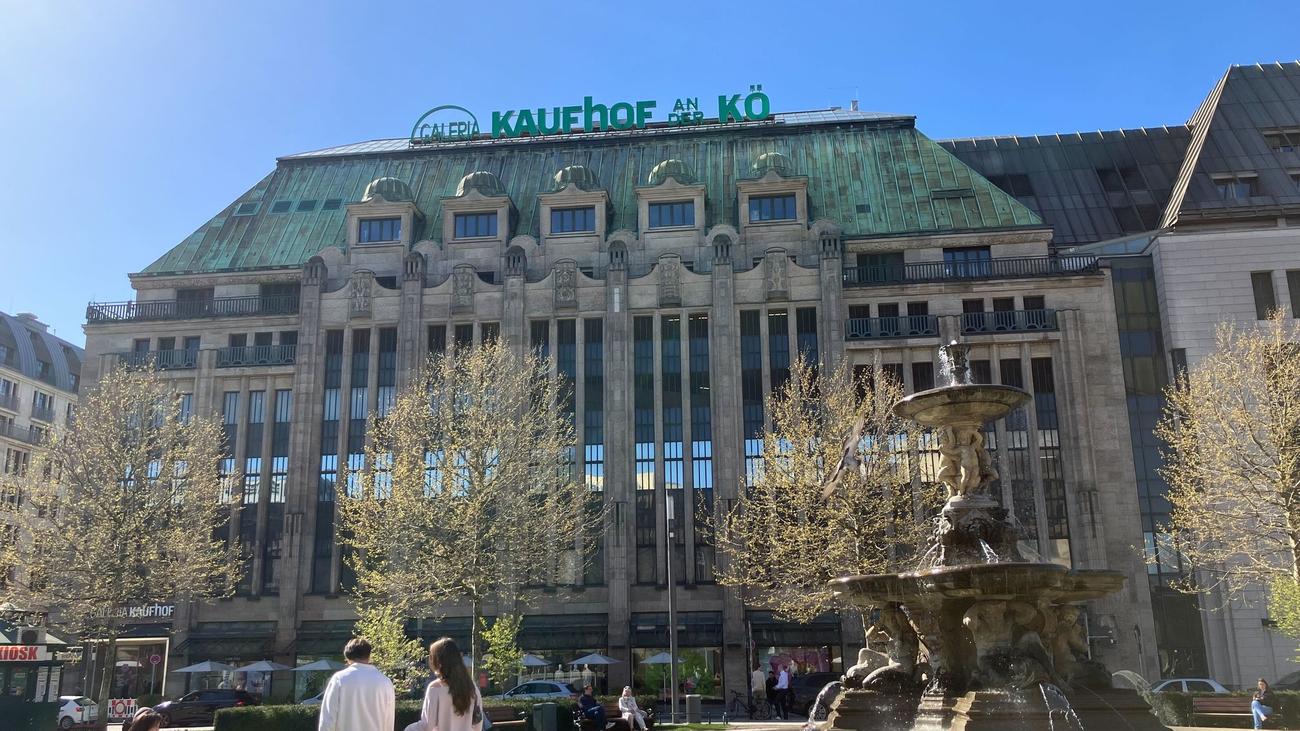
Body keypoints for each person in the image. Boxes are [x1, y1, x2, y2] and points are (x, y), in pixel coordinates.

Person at [405, 637, 483, 731]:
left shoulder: (435, 688)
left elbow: (427, 725)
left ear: (438, 662)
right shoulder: (471, 687)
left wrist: (408, 729)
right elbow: (478, 722)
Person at [319, 637, 396, 731]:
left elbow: (328, 719)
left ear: (347, 657)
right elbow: (389, 721)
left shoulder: (339, 679)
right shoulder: (385, 682)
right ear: (369, 655)